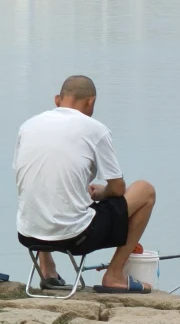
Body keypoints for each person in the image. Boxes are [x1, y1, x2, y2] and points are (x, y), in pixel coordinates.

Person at [13, 74, 157, 293]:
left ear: (57, 100)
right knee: (145, 191)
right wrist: (102, 193)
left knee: (41, 186)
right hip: (76, 238)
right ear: (91, 101)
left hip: (28, 235)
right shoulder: (95, 129)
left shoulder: (27, 126)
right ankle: (115, 274)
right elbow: (118, 188)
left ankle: (47, 268)